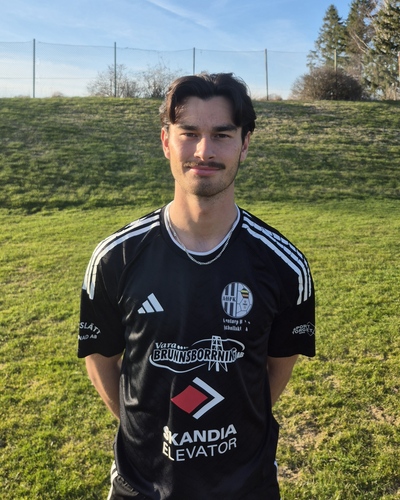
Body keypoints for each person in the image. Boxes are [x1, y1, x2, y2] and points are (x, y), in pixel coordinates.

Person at [78, 72, 315, 500]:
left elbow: (276, 371)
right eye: (189, 133)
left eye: (222, 135)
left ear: (244, 144)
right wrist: (144, 431)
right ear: (166, 141)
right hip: (141, 485)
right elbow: (100, 358)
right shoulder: (115, 258)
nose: (204, 151)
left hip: (247, 485)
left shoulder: (285, 266)